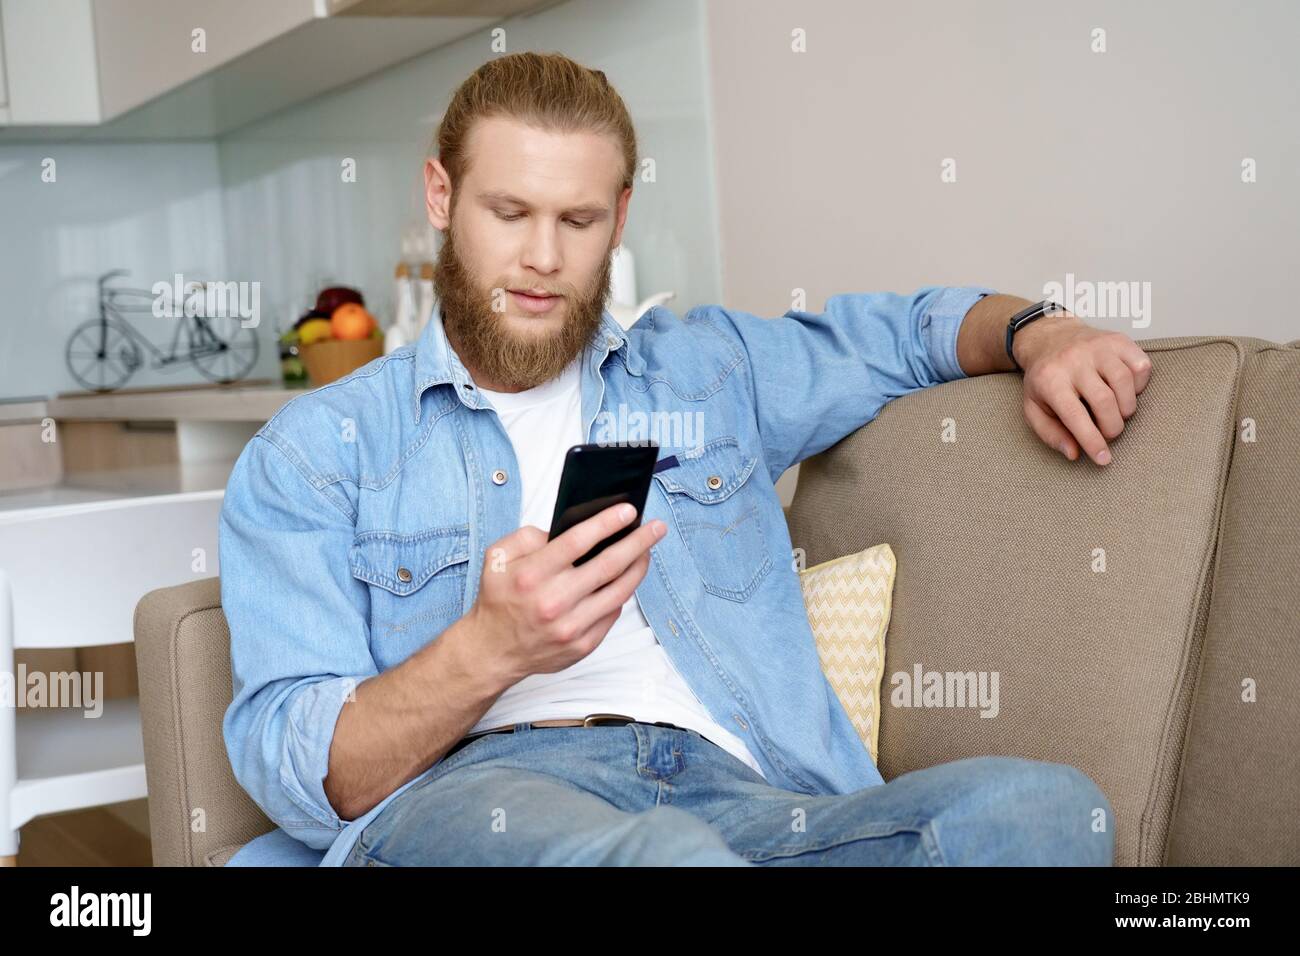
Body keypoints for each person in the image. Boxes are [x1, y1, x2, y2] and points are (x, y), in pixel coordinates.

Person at [221, 52, 1149, 866]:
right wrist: (490, 649)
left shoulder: (706, 371)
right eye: (509, 213)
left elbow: (903, 338)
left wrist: (1040, 329)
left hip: (742, 803)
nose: (542, 257)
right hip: (483, 805)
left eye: (578, 221)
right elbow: (310, 775)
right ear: (440, 197)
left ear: (620, 217)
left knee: (1043, 813)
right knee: (663, 858)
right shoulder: (316, 453)